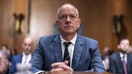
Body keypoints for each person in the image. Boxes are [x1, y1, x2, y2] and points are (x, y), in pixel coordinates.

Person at [30, 3, 105, 73]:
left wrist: (72, 73)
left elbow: (100, 71)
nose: (68, 20)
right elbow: (31, 69)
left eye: (72, 16)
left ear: (78, 23)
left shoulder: (91, 45)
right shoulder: (44, 43)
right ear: (57, 23)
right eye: (63, 17)